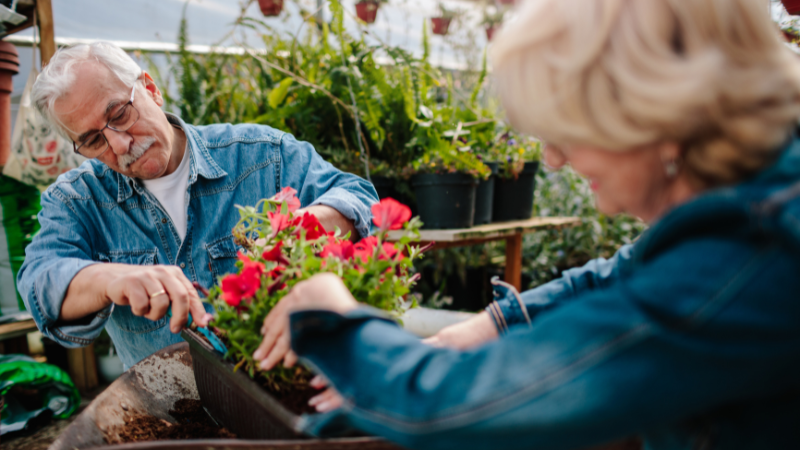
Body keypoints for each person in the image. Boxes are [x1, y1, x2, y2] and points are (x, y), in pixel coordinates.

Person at [253, 0, 800, 448]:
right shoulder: (760, 199)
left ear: (656, 112)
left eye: (567, 126)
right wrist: (496, 322)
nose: (555, 158)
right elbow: (626, 272)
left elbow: (466, 407)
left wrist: (335, 316)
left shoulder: (756, 250)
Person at [17, 42, 378, 370]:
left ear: (151, 89)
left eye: (120, 114)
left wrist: (305, 224)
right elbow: (39, 282)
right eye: (95, 140)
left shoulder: (261, 155)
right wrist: (110, 278)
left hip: (282, 384)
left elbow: (358, 197)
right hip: (172, 414)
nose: (121, 144)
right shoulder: (79, 198)